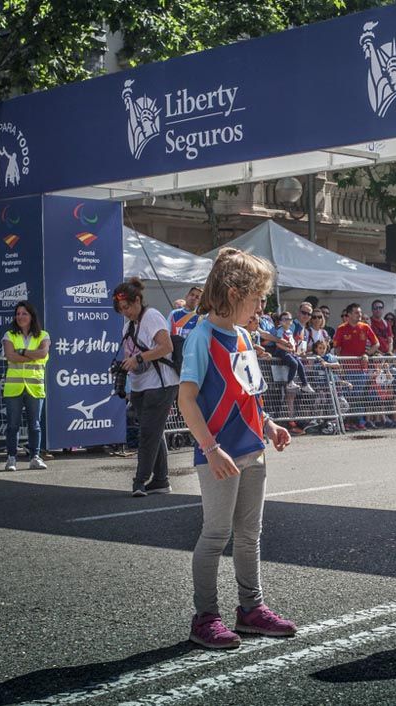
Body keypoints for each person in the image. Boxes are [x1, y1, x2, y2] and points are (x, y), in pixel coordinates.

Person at [177, 247, 296, 650]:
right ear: (232, 292)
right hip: (220, 455)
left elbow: (249, 395)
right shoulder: (200, 337)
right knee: (215, 535)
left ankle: (251, 609)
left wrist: (270, 424)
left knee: (250, 534)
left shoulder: (245, 335)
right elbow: (186, 400)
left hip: (252, 449)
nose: (262, 305)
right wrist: (210, 449)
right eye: (257, 297)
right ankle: (205, 616)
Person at [115, 278, 179, 497]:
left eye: (128, 307)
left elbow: (166, 347)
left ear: (138, 300)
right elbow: (130, 355)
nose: (126, 312)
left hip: (161, 384)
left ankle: (140, 481)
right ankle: (161, 480)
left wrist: (138, 359)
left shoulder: (151, 317)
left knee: (148, 433)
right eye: (122, 309)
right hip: (141, 384)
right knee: (154, 431)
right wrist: (126, 367)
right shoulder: (128, 325)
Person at [2, 301, 50, 472]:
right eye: (18, 314)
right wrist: (31, 355)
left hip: (35, 387)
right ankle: (11, 458)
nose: (20, 317)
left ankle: (35, 457)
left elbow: (43, 353)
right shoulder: (9, 335)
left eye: (24, 314)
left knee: (34, 424)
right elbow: (10, 356)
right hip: (14, 388)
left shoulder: (43, 335)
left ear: (31, 316)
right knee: (13, 425)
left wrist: (21, 352)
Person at [272, 312, 314, 395]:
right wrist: (287, 349)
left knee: (300, 365)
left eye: (289, 319)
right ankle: (289, 382)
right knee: (294, 364)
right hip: (282, 352)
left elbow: (293, 343)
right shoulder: (280, 330)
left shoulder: (290, 331)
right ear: (280, 321)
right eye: (285, 319)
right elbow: (278, 343)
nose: (287, 321)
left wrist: (295, 350)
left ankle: (305, 384)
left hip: (289, 352)